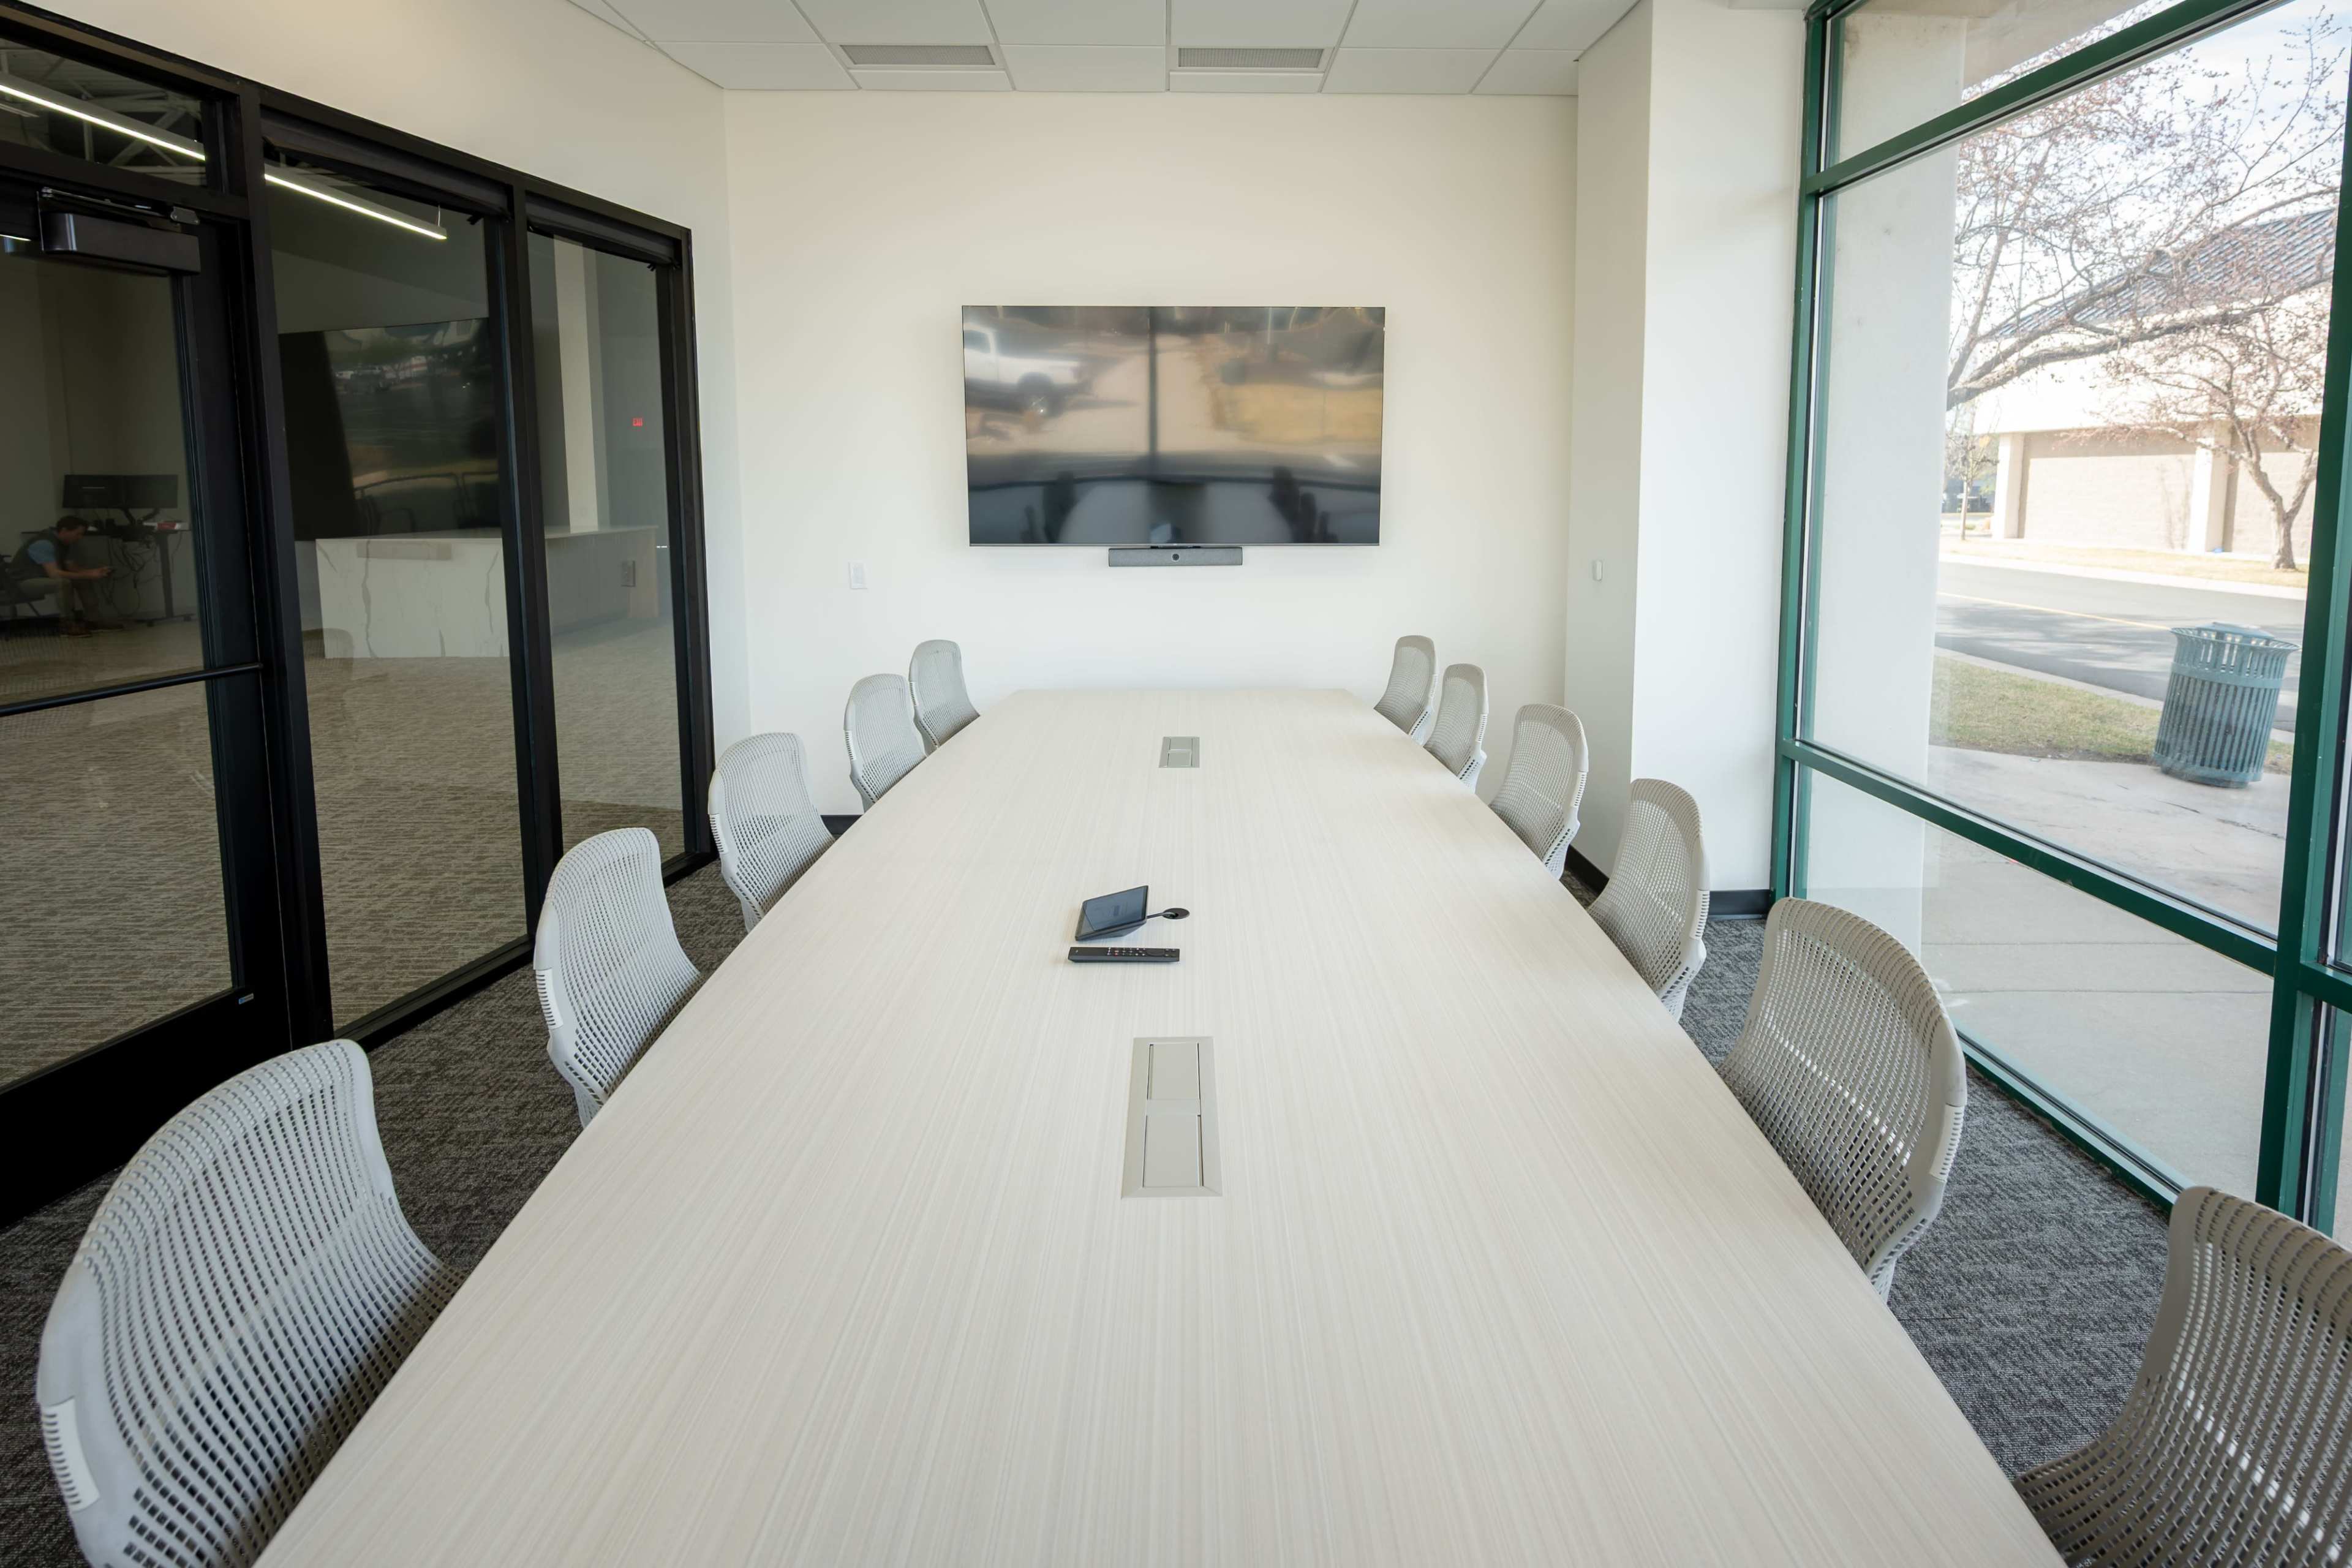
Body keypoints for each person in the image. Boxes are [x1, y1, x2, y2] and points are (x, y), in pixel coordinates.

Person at [10, 517, 122, 635]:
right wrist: (89, 575)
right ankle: (67, 624)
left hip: (42, 578)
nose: (80, 538)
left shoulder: (66, 543)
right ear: (64, 530)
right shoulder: (44, 543)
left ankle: (94, 620)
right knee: (63, 583)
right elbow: (55, 574)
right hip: (22, 582)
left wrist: (94, 572)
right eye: (78, 534)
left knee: (83, 581)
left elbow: (72, 568)